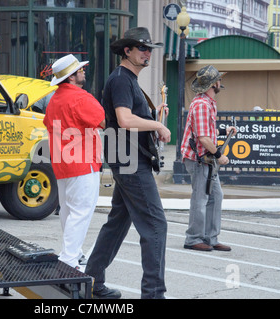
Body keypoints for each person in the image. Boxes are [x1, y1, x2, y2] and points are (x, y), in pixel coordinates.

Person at [84, 27, 171, 299]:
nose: (147, 53)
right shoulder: (121, 79)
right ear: (127, 51)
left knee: (117, 222)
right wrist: (157, 123)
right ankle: (154, 294)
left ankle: (93, 282)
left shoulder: (128, 80)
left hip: (127, 160)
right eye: (142, 48)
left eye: (149, 49)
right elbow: (124, 119)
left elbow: (129, 117)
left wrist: (154, 114)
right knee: (156, 225)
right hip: (130, 162)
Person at [43, 54, 105, 271]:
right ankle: (69, 259)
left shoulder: (54, 99)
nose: (84, 72)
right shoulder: (81, 98)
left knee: (68, 212)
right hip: (83, 162)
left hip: (62, 164)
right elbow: (104, 121)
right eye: (80, 70)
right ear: (71, 77)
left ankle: (73, 254)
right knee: (80, 212)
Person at [180, 65, 237, 252]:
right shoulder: (203, 105)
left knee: (213, 196)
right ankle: (194, 238)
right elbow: (203, 138)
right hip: (199, 158)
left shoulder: (206, 102)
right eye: (219, 80)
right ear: (214, 84)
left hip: (203, 158)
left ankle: (209, 238)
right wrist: (219, 156)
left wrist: (223, 130)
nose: (221, 83)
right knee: (201, 198)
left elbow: (205, 131)